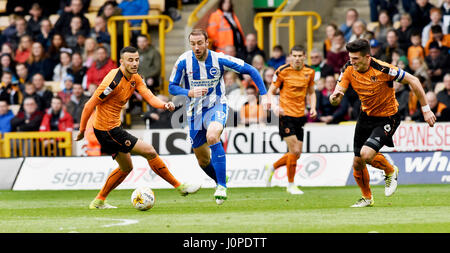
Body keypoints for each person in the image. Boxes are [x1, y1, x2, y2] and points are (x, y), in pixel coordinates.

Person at [75, 46, 200, 209]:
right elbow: (89, 105)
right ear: (122, 61)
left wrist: (164, 105)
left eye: (137, 60)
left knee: (126, 167)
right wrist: (82, 130)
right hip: (107, 130)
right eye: (130, 60)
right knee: (149, 151)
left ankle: (99, 201)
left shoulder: (135, 78)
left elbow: (149, 97)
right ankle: (180, 187)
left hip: (112, 128)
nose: (134, 63)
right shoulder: (112, 81)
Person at [329, 39, 436, 207]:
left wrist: (426, 109)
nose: (352, 61)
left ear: (367, 57)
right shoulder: (348, 68)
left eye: (356, 58)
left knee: (366, 154)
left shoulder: (384, 69)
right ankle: (367, 198)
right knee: (357, 162)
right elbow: (337, 94)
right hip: (366, 116)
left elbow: (414, 80)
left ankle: (390, 170)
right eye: (350, 58)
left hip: (388, 117)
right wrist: (334, 98)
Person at [168, 29, 270, 205]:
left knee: (213, 135)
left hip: (217, 105)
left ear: (207, 42)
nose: (196, 47)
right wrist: (189, 92)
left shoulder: (219, 59)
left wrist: (264, 94)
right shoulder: (184, 61)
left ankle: (221, 186)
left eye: (200, 43)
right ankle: (220, 179)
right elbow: (172, 87)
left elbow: (251, 70)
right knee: (202, 160)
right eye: (193, 44)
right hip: (194, 112)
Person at [265, 45, 317, 194]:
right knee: (293, 150)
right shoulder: (282, 71)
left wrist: (313, 107)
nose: (297, 59)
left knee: (297, 153)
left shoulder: (310, 72)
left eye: (300, 56)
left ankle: (272, 167)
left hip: (300, 115)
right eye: (294, 56)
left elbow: (312, 92)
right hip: (285, 114)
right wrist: (275, 107)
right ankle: (291, 184)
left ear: (304, 56)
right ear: (290, 56)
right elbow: (270, 92)